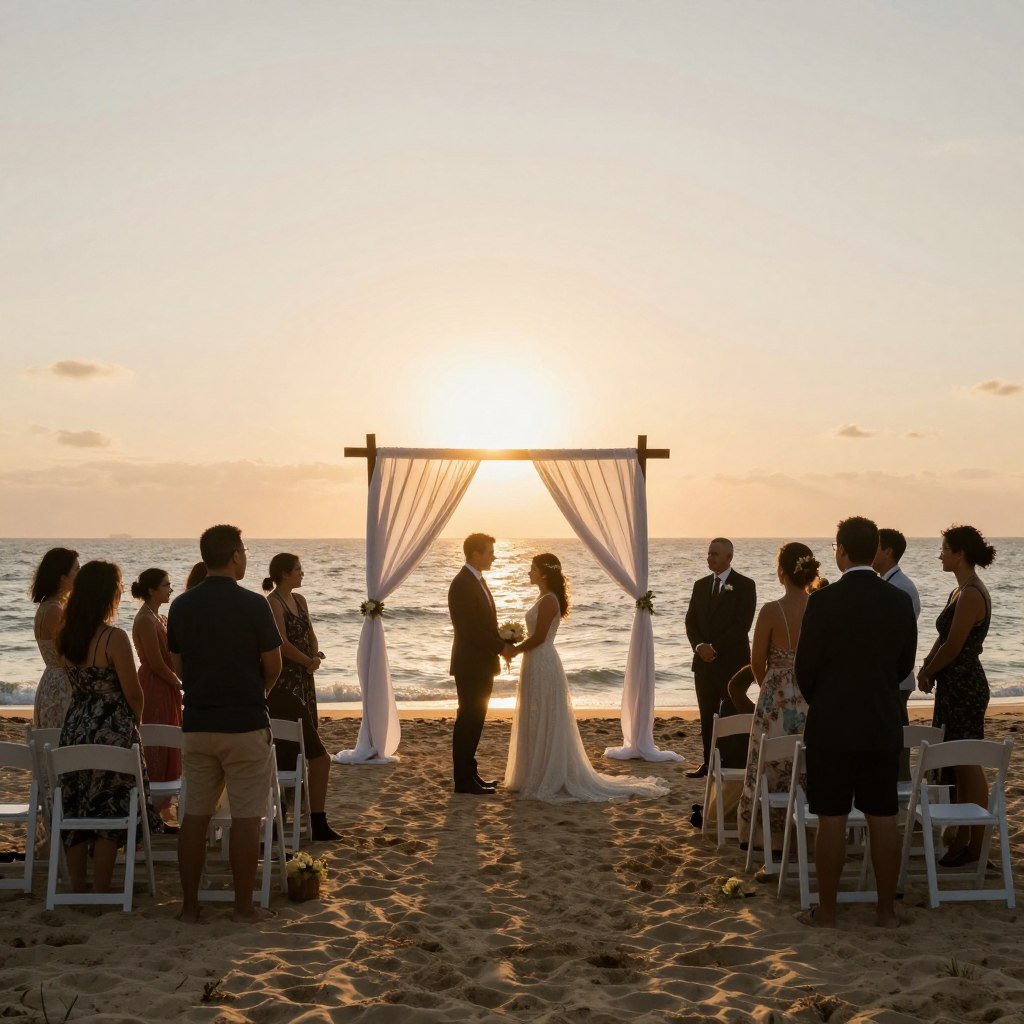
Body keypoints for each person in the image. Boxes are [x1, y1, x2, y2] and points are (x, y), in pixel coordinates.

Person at [795, 516, 916, 929]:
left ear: (842, 551)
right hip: (881, 722)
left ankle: (827, 911)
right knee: (883, 817)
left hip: (832, 724)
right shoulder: (898, 601)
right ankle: (886, 912)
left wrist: (825, 701)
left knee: (831, 817)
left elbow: (804, 669)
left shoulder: (823, 601)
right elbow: (904, 665)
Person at [167, 525, 282, 922]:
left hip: (198, 722)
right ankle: (243, 906)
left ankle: (189, 907)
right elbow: (273, 665)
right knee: (247, 818)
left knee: (194, 817)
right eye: (244, 551)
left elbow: (179, 666)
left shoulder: (181, 606)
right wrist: (254, 692)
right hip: (245, 723)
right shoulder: (254, 604)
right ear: (234, 556)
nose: (246, 557)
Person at [504, 554, 669, 803]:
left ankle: (545, 772)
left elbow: (539, 637)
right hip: (534, 661)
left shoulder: (549, 600)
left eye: (533, 569)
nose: (529, 572)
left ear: (545, 574)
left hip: (542, 660)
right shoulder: (543, 597)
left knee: (546, 714)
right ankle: (531, 771)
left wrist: (514, 649)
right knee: (534, 712)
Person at [56, 561, 167, 894]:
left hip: (75, 727)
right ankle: (103, 888)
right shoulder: (113, 638)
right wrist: (136, 721)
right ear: (108, 593)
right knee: (110, 808)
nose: (121, 590)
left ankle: (78, 886)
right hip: (113, 729)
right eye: (118, 585)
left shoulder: (64, 635)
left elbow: (75, 684)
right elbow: (133, 692)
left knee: (75, 808)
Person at [917, 524, 995, 866]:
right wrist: (926, 666)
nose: (940, 554)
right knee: (956, 763)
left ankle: (975, 845)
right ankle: (962, 837)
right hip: (953, 684)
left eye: (945, 548)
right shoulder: (958, 591)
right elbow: (942, 639)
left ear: (959, 553)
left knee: (966, 761)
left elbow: (954, 645)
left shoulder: (972, 593)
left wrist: (931, 669)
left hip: (965, 684)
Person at [737, 543, 818, 847]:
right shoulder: (819, 606)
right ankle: (805, 832)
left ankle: (764, 836)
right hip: (811, 692)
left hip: (776, 693)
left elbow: (757, 660)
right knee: (805, 761)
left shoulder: (772, 611)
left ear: (782, 571)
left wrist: (769, 688)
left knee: (768, 760)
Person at [262, 553, 339, 841]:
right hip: (287, 681)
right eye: (298, 570)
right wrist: (305, 661)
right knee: (289, 746)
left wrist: (315, 656)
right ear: (284, 574)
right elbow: (280, 643)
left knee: (308, 740)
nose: (302, 574)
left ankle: (306, 815)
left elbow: (310, 632)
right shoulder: (273, 603)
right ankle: (283, 815)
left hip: (305, 677)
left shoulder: (301, 600)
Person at [447, 533, 515, 795]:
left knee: (475, 720)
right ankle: (463, 780)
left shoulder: (477, 581)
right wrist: (501, 646)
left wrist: (504, 637)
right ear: (475, 554)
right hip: (470, 664)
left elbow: (483, 624)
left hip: (481, 663)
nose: (494, 556)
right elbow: (470, 630)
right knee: (468, 720)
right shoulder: (462, 583)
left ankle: (470, 774)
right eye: (489, 552)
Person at [684, 538, 757, 778]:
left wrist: (714, 647)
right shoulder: (700, 585)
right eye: (708, 553)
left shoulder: (745, 585)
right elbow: (690, 621)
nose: (710, 557)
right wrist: (699, 646)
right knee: (707, 714)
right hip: (703, 663)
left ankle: (732, 762)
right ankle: (708, 763)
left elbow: (742, 625)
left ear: (729, 557)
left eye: (715, 554)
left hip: (731, 663)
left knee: (731, 713)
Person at [131, 568, 182, 820]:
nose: (170, 589)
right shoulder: (144, 619)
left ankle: (164, 805)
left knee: (170, 737)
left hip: (166, 684)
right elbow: (155, 662)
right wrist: (177, 682)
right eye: (165, 585)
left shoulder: (158, 616)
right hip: (154, 684)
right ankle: (152, 805)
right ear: (152, 590)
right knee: (157, 739)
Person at [873, 529, 921, 780]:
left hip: (896, 679)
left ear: (888, 551)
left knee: (898, 739)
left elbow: (900, 639)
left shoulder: (902, 587)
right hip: (888, 678)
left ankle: (902, 785)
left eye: (876, 546)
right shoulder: (887, 584)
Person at [30, 547, 79, 728]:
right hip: (61, 687)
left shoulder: (47, 606)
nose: (80, 574)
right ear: (62, 577)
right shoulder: (55, 610)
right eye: (76, 570)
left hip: (50, 681)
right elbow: (67, 656)